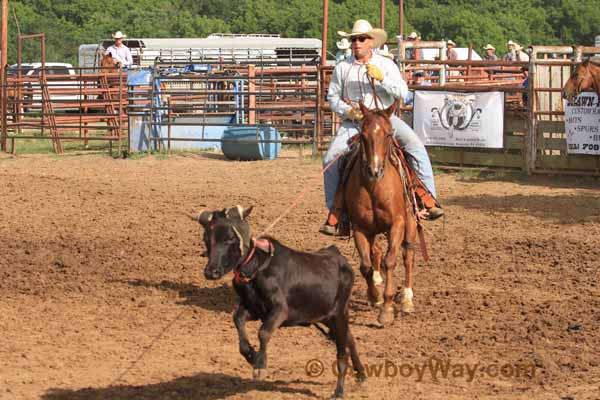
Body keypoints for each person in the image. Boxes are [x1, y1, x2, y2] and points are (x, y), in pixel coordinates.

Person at [320, 19, 443, 236]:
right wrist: (348, 112)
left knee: (415, 146)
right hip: (355, 123)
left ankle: (427, 199)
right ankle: (336, 214)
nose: (356, 42)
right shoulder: (342, 67)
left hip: (385, 120)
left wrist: (382, 78)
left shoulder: (386, 65)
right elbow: (332, 97)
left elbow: (402, 93)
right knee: (330, 158)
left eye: (361, 39)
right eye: (353, 39)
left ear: (371, 41)